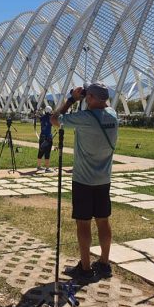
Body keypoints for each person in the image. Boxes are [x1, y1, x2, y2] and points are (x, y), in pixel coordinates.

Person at [50, 82, 118, 280]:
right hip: (104, 179)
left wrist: (71, 99)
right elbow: (103, 108)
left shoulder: (85, 118)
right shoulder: (113, 115)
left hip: (84, 179)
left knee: (83, 223)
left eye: (87, 96)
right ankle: (104, 264)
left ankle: (85, 268)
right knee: (103, 221)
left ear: (90, 98)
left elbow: (55, 119)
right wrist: (87, 98)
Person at [36, 106, 54, 173]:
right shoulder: (51, 118)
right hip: (48, 138)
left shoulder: (42, 117)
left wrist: (37, 113)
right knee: (47, 152)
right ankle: (47, 168)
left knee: (40, 151)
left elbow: (39, 117)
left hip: (42, 137)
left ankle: (38, 166)